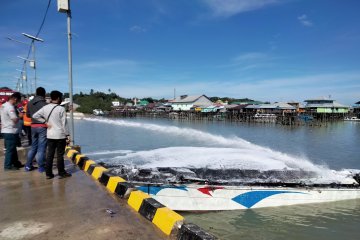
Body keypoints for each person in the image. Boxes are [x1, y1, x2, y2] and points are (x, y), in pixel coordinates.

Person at [32, 90, 71, 179]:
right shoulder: (61, 109)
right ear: (58, 98)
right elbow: (64, 124)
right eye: (61, 98)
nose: (61, 99)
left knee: (50, 154)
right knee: (60, 155)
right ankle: (61, 172)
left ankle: (48, 174)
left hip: (50, 135)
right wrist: (68, 135)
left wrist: (45, 122)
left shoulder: (45, 107)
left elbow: (34, 116)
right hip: (60, 135)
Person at [25, 87, 47, 172]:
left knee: (33, 146)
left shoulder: (29, 103)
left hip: (33, 126)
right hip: (42, 126)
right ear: (44, 94)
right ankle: (41, 167)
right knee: (41, 148)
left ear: (36, 93)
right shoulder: (44, 104)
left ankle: (28, 165)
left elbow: (28, 115)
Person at [0, 92, 24, 170]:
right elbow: (14, 119)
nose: (18, 102)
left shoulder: (3, 105)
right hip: (10, 130)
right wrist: (19, 116)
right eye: (19, 101)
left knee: (12, 148)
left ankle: (15, 163)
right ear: (15, 99)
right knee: (10, 149)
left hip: (6, 129)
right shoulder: (10, 107)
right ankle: (7, 166)